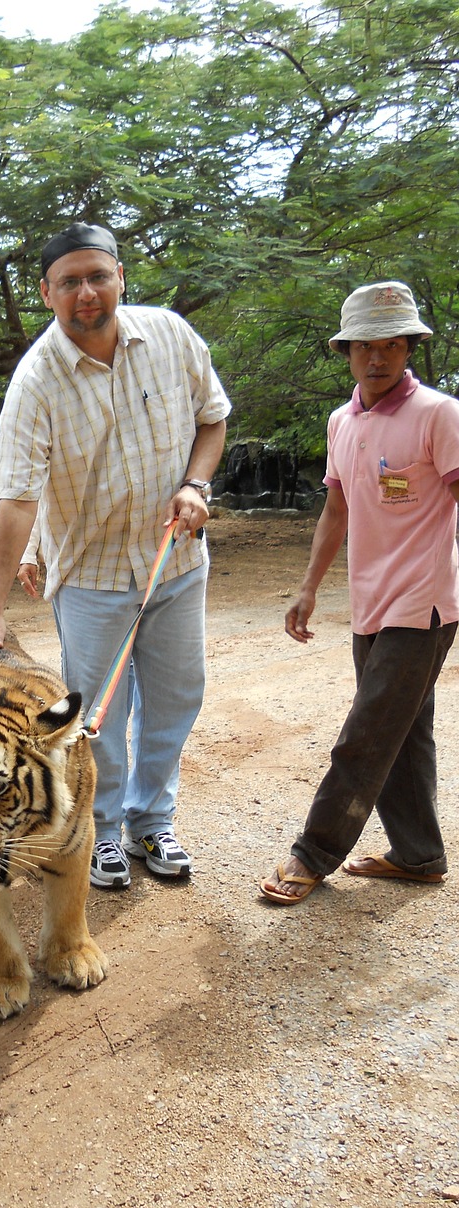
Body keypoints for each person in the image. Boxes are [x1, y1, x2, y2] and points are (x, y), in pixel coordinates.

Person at [0, 222, 229, 890]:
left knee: (175, 696)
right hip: (92, 579)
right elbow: (17, 499)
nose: (86, 293)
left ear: (120, 279)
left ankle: (152, 821)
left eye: (98, 276)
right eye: (69, 281)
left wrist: (196, 485)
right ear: (47, 292)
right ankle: (103, 833)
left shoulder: (169, 335)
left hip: (176, 564)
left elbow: (212, 419)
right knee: (96, 715)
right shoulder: (34, 384)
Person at [261, 282, 459, 904]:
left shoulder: (439, 413)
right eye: (366, 346)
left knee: (367, 732)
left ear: (410, 350)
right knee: (403, 730)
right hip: (370, 604)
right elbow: (337, 509)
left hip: (424, 605)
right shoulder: (341, 421)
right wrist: (309, 587)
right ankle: (419, 855)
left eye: (393, 345)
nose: (379, 358)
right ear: (345, 351)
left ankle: (311, 854)